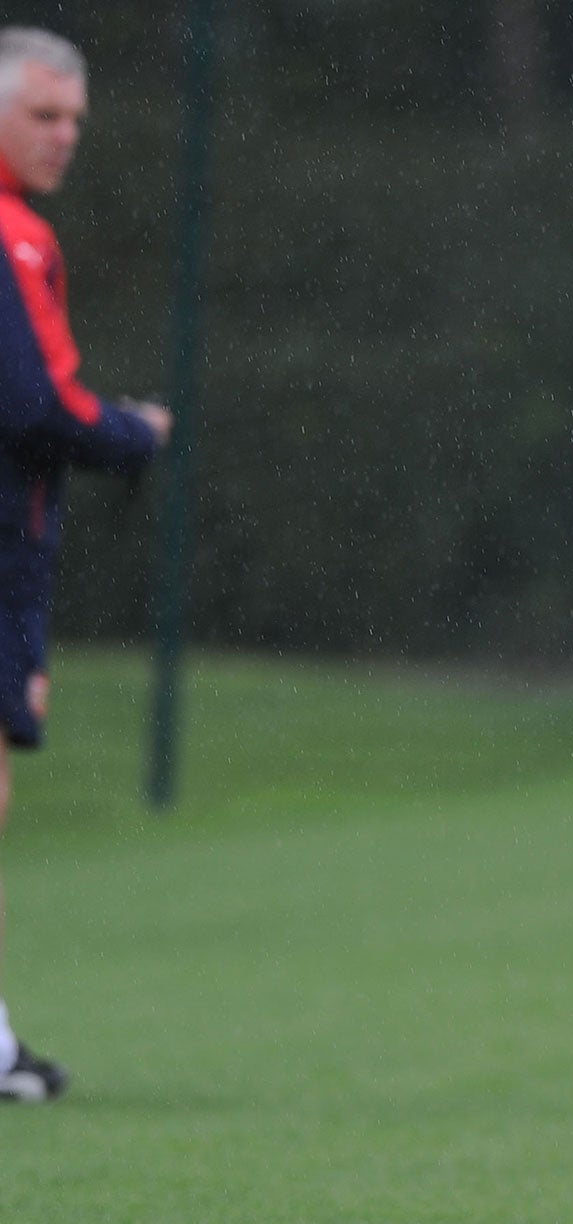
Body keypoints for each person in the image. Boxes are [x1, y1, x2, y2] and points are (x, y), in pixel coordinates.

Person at [0, 29, 170, 1103]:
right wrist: (133, 430)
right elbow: (35, 408)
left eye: (74, 120)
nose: (65, 137)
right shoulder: (13, 238)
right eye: (43, 115)